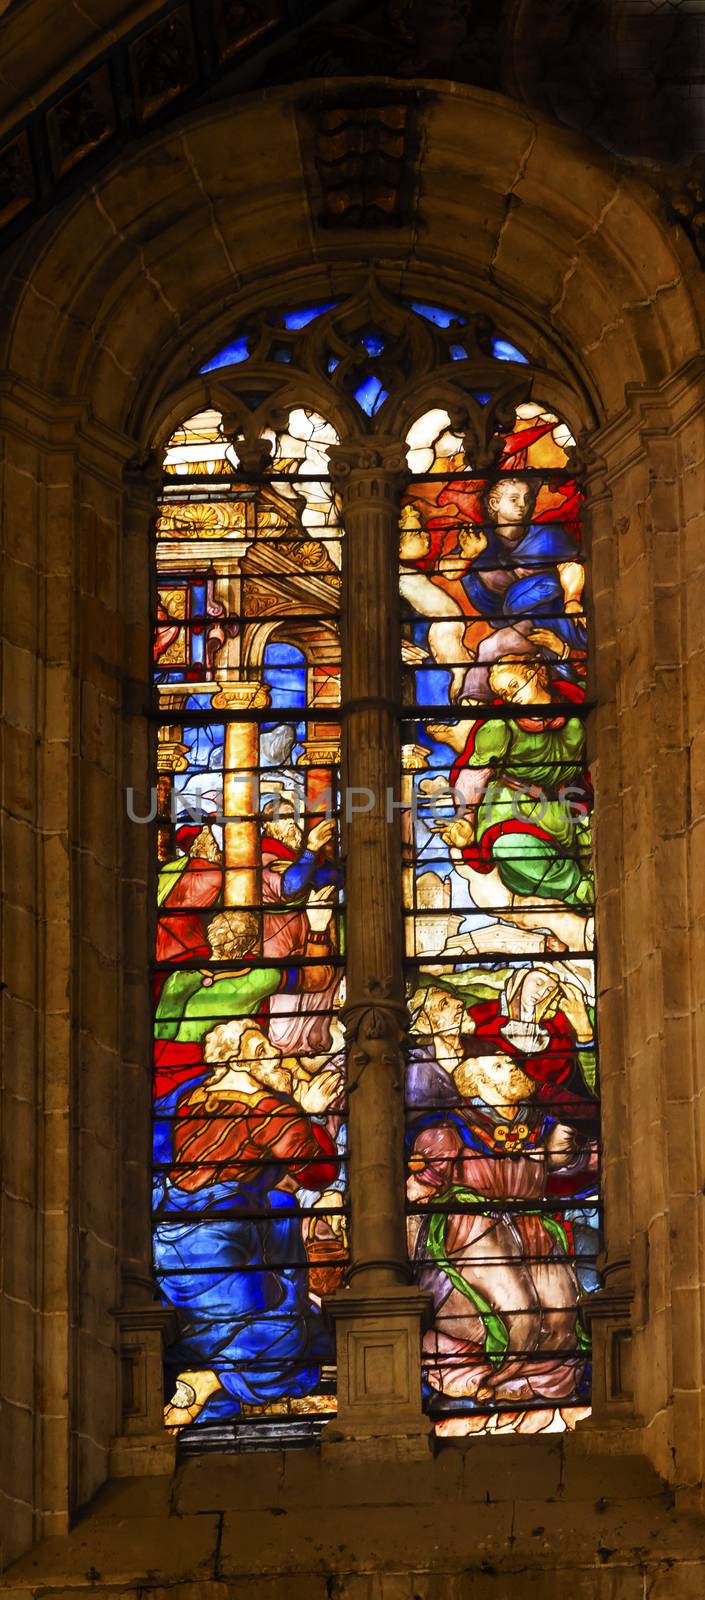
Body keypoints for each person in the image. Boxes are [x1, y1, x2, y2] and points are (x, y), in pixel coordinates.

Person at [154, 1017, 344, 1429]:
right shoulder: (270, 1113)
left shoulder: (191, 1097)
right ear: (237, 1062)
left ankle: (207, 1373)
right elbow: (318, 1173)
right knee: (289, 1340)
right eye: (261, 1051)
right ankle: (210, 1380)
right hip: (218, 1247)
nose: (275, 1056)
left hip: (170, 1244)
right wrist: (308, 1113)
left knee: (278, 1206)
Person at [407, 1037, 597, 1410]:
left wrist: (569, 1149)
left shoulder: (543, 1127)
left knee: (561, 1319)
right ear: (474, 1082)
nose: (511, 1069)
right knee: (520, 1313)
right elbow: (417, 1190)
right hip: (475, 1228)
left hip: (532, 1229)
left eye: (510, 1064)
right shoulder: (451, 1131)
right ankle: (498, 1377)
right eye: (498, 1066)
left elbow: (574, 1169)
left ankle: (526, 1384)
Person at [428, 657, 593, 952]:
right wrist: (465, 819)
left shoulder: (576, 706)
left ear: (536, 673)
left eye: (515, 686)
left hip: (565, 805)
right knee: (512, 849)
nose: (512, 697)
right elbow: (474, 775)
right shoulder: (500, 727)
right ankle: (579, 891)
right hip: (511, 806)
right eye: (505, 693)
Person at [152, 899, 337, 1103]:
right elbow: (316, 978)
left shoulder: (178, 977)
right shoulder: (259, 978)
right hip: (224, 1072)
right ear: (249, 945)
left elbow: (161, 1036)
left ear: (212, 933)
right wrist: (318, 927)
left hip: (171, 1078)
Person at [156, 824, 222, 964]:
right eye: (212, 843)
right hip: (189, 939)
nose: (215, 846)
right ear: (201, 845)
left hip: (162, 937)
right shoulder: (215, 873)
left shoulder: (170, 869)